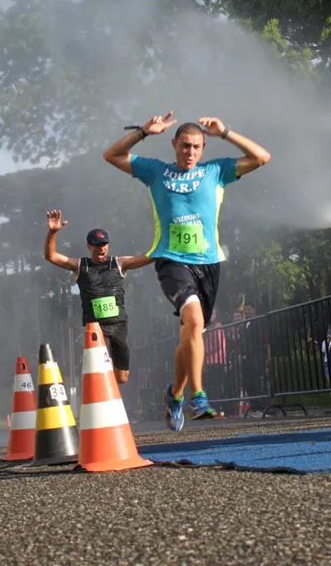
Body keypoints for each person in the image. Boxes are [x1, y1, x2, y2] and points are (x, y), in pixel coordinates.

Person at [103, 112, 271, 431]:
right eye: (184, 146)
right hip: (171, 260)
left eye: (196, 146)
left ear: (203, 147)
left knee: (189, 335)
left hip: (208, 264)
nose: (190, 152)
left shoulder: (216, 171)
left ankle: (175, 394)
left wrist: (226, 132)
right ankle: (199, 398)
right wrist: (142, 132)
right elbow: (111, 155)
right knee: (193, 322)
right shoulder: (156, 171)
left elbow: (261, 157)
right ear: (173, 145)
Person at [44, 209, 152, 384]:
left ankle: (108, 392)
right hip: (95, 326)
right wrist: (52, 232)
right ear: (89, 246)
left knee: (122, 378)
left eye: (104, 244)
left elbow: (149, 257)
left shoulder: (119, 263)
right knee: (99, 369)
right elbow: (51, 256)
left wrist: (166, 246)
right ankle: (100, 400)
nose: (102, 248)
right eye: (97, 244)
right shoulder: (80, 266)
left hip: (118, 324)